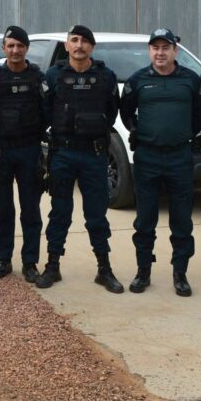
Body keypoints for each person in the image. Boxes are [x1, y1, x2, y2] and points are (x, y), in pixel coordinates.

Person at [120, 28, 201, 296]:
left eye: (165, 47)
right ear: (149, 51)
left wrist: (182, 135)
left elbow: (200, 115)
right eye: (155, 48)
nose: (160, 53)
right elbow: (125, 113)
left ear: (175, 50)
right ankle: (143, 271)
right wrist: (141, 133)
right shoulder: (137, 80)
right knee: (145, 219)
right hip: (147, 157)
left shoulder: (191, 80)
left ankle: (180, 273)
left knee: (182, 220)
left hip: (180, 157)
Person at [38, 25, 124, 293]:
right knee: (60, 211)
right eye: (74, 40)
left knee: (96, 214)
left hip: (94, 154)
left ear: (92, 47)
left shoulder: (106, 77)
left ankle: (104, 269)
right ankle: (53, 266)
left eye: (85, 41)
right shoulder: (53, 76)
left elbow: (111, 113)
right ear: (66, 46)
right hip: (63, 153)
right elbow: (44, 112)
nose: (79, 45)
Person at [0, 26, 44, 283]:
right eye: (10, 46)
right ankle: (3, 259)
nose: (15, 50)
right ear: (4, 48)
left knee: (31, 210)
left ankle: (30, 262)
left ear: (26, 48)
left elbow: (48, 110)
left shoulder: (39, 77)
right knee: (2, 209)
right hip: (0, 153)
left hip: (29, 150)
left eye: (20, 46)